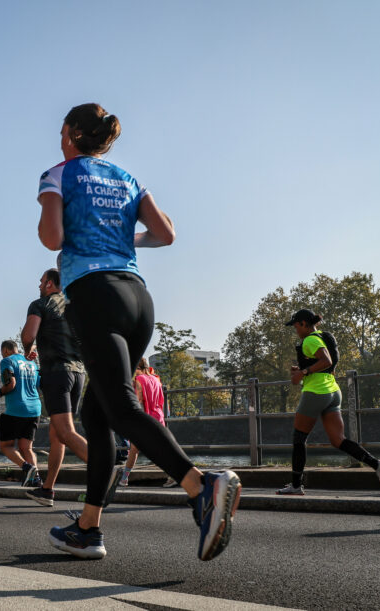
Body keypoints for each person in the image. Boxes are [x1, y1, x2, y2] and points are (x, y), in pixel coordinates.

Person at [37, 103, 240, 561]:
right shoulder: (127, 179)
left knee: (122, 407)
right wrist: (124, 238)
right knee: (98, 412)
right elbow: (165, 233)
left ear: (69, 132)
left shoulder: (59, 174)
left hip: (94, 295)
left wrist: (70, 228)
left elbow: (51, 239)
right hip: (137, 299)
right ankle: (88, 528)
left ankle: (199, 486)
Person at [278, 309, 380, 495]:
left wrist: (304, 373)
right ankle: (379, 466)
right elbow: (327, 364)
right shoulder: (322, 337)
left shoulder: (309, 340)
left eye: (295, 325)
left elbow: (326, 360)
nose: (295, 330)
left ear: (303, 323)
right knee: (338, 440)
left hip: (315, 393)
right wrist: (301, 371)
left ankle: (295, 485)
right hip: (332, 392)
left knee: (299, 438)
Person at [21, 268, 91, 507]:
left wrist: (28, 347)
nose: (39, 285)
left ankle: (102, 469)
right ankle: (47, 489)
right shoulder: (76, 306)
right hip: (78, 372)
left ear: (50, 283)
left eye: (41, 281)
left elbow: (29, 334)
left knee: (65, 432)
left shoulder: (40, 304)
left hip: (56, 372)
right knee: (57, 434)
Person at [120, 359, 177, 487]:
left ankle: (173, 475)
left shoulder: (139, 379)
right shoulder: (156, 379)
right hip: (158, 416)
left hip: (145, 417)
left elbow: (139, 400)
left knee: (137, 449)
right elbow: (161, 400)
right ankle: (124, 478)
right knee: (139, 448)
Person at [0, 340, 41, 486]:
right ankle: (36, 479)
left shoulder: (6, 361)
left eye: (2, 352)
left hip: (16, 409)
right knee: (27, 447)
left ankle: (27, 467)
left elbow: (11, 383)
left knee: (6, 446)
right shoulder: (32, 363)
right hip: (34, 409)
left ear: (6, 350)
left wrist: (0, 392)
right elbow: (38, 384)